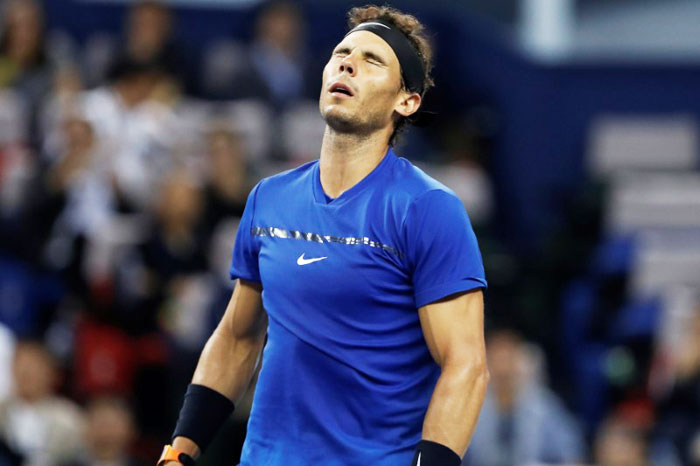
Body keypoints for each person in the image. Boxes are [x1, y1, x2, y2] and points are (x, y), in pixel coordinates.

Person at [158, 5, 488, 466]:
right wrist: (181, 449)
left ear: (407, 101)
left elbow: (466, 366)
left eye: (372, 60)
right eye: (341, 54)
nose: (348, 63)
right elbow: (237, 337)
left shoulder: (428, 209)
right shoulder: (269, 198)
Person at [463, 328, 585, 466]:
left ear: (519, 363)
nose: (503, 370)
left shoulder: (542, 404)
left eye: (508, 360)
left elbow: (573, 453)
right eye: (497, 360)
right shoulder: (470, 406)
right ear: (486, 363)